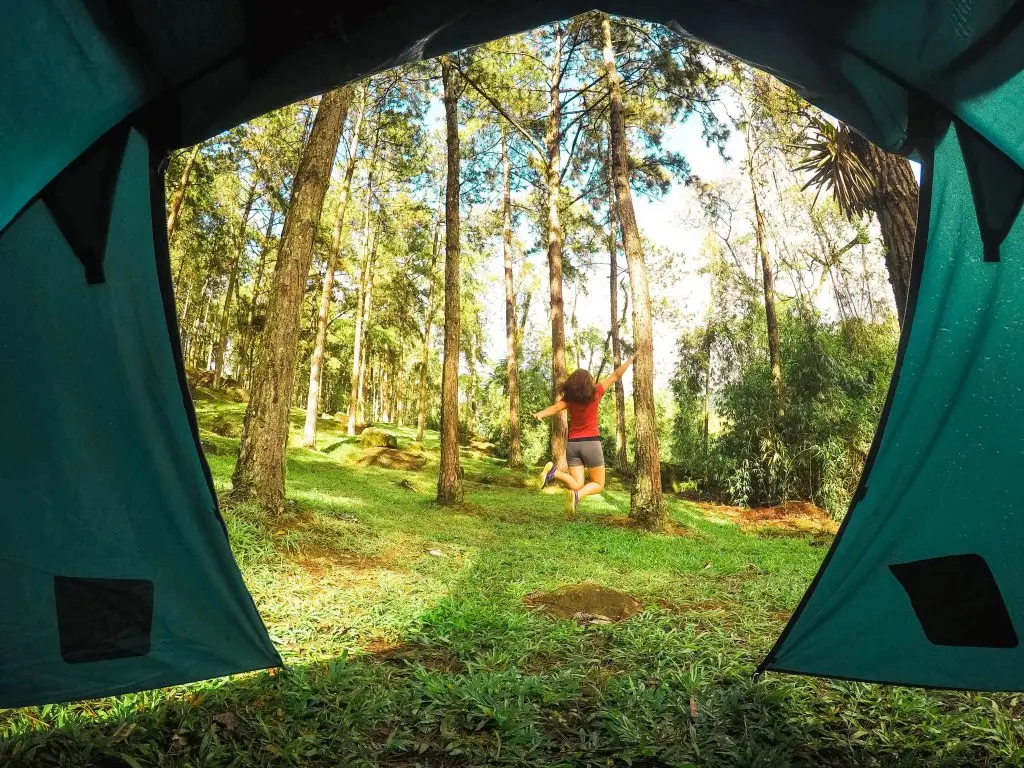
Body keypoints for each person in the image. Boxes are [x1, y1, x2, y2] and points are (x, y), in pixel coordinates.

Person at [534, 355, 635, 515]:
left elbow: (554, 408)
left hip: (573, 445)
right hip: (591, 444)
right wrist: (629, 361)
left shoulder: (570, 400)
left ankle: (554, 473)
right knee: (598, 484)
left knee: (577, 483)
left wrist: (540, 414)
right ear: (589, 382)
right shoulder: (596, 393)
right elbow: (615, 375)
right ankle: (577, 496)